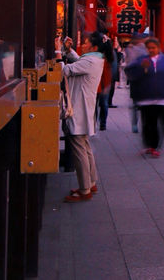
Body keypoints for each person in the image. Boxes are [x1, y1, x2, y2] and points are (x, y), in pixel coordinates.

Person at [61, 31, 106, 202]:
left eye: (86, 42)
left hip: (78, 109)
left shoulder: (90, 61)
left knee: (79, 148)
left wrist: (58, 52)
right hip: (84, 109)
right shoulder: (95, 59)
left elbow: (65, 70)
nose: (83, 44)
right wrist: (69, 51)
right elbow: (79, 61)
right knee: (85, 146)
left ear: (94, 47)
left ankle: (84, 189)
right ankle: (91, 182)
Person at [126, 36, 164, 157]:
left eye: (153, 47)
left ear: (158, 48)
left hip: (163, 96)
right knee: (147, 122)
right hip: (146, 96)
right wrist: (142, 69)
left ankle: (156, 146)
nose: (151, 50)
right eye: (149, 48)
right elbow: (130, 74)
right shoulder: (141, 60)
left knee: (160, 122)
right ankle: (149, 145)